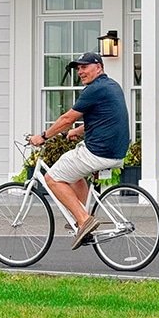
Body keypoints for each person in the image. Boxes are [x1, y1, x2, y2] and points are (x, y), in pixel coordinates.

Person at [29, 51, 129, 250]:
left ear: (98, 67)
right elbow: (105, 118)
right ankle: (80, 216)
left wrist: (43, 136)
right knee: (74, 175)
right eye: (78, 68)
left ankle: (84, 220)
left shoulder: (94, 89)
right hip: (115, 151)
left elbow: (67, 118)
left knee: (52, 178)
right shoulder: (112, 86)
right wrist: (78, 130)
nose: (80, 72)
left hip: (98, 152)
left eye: (85, 67)